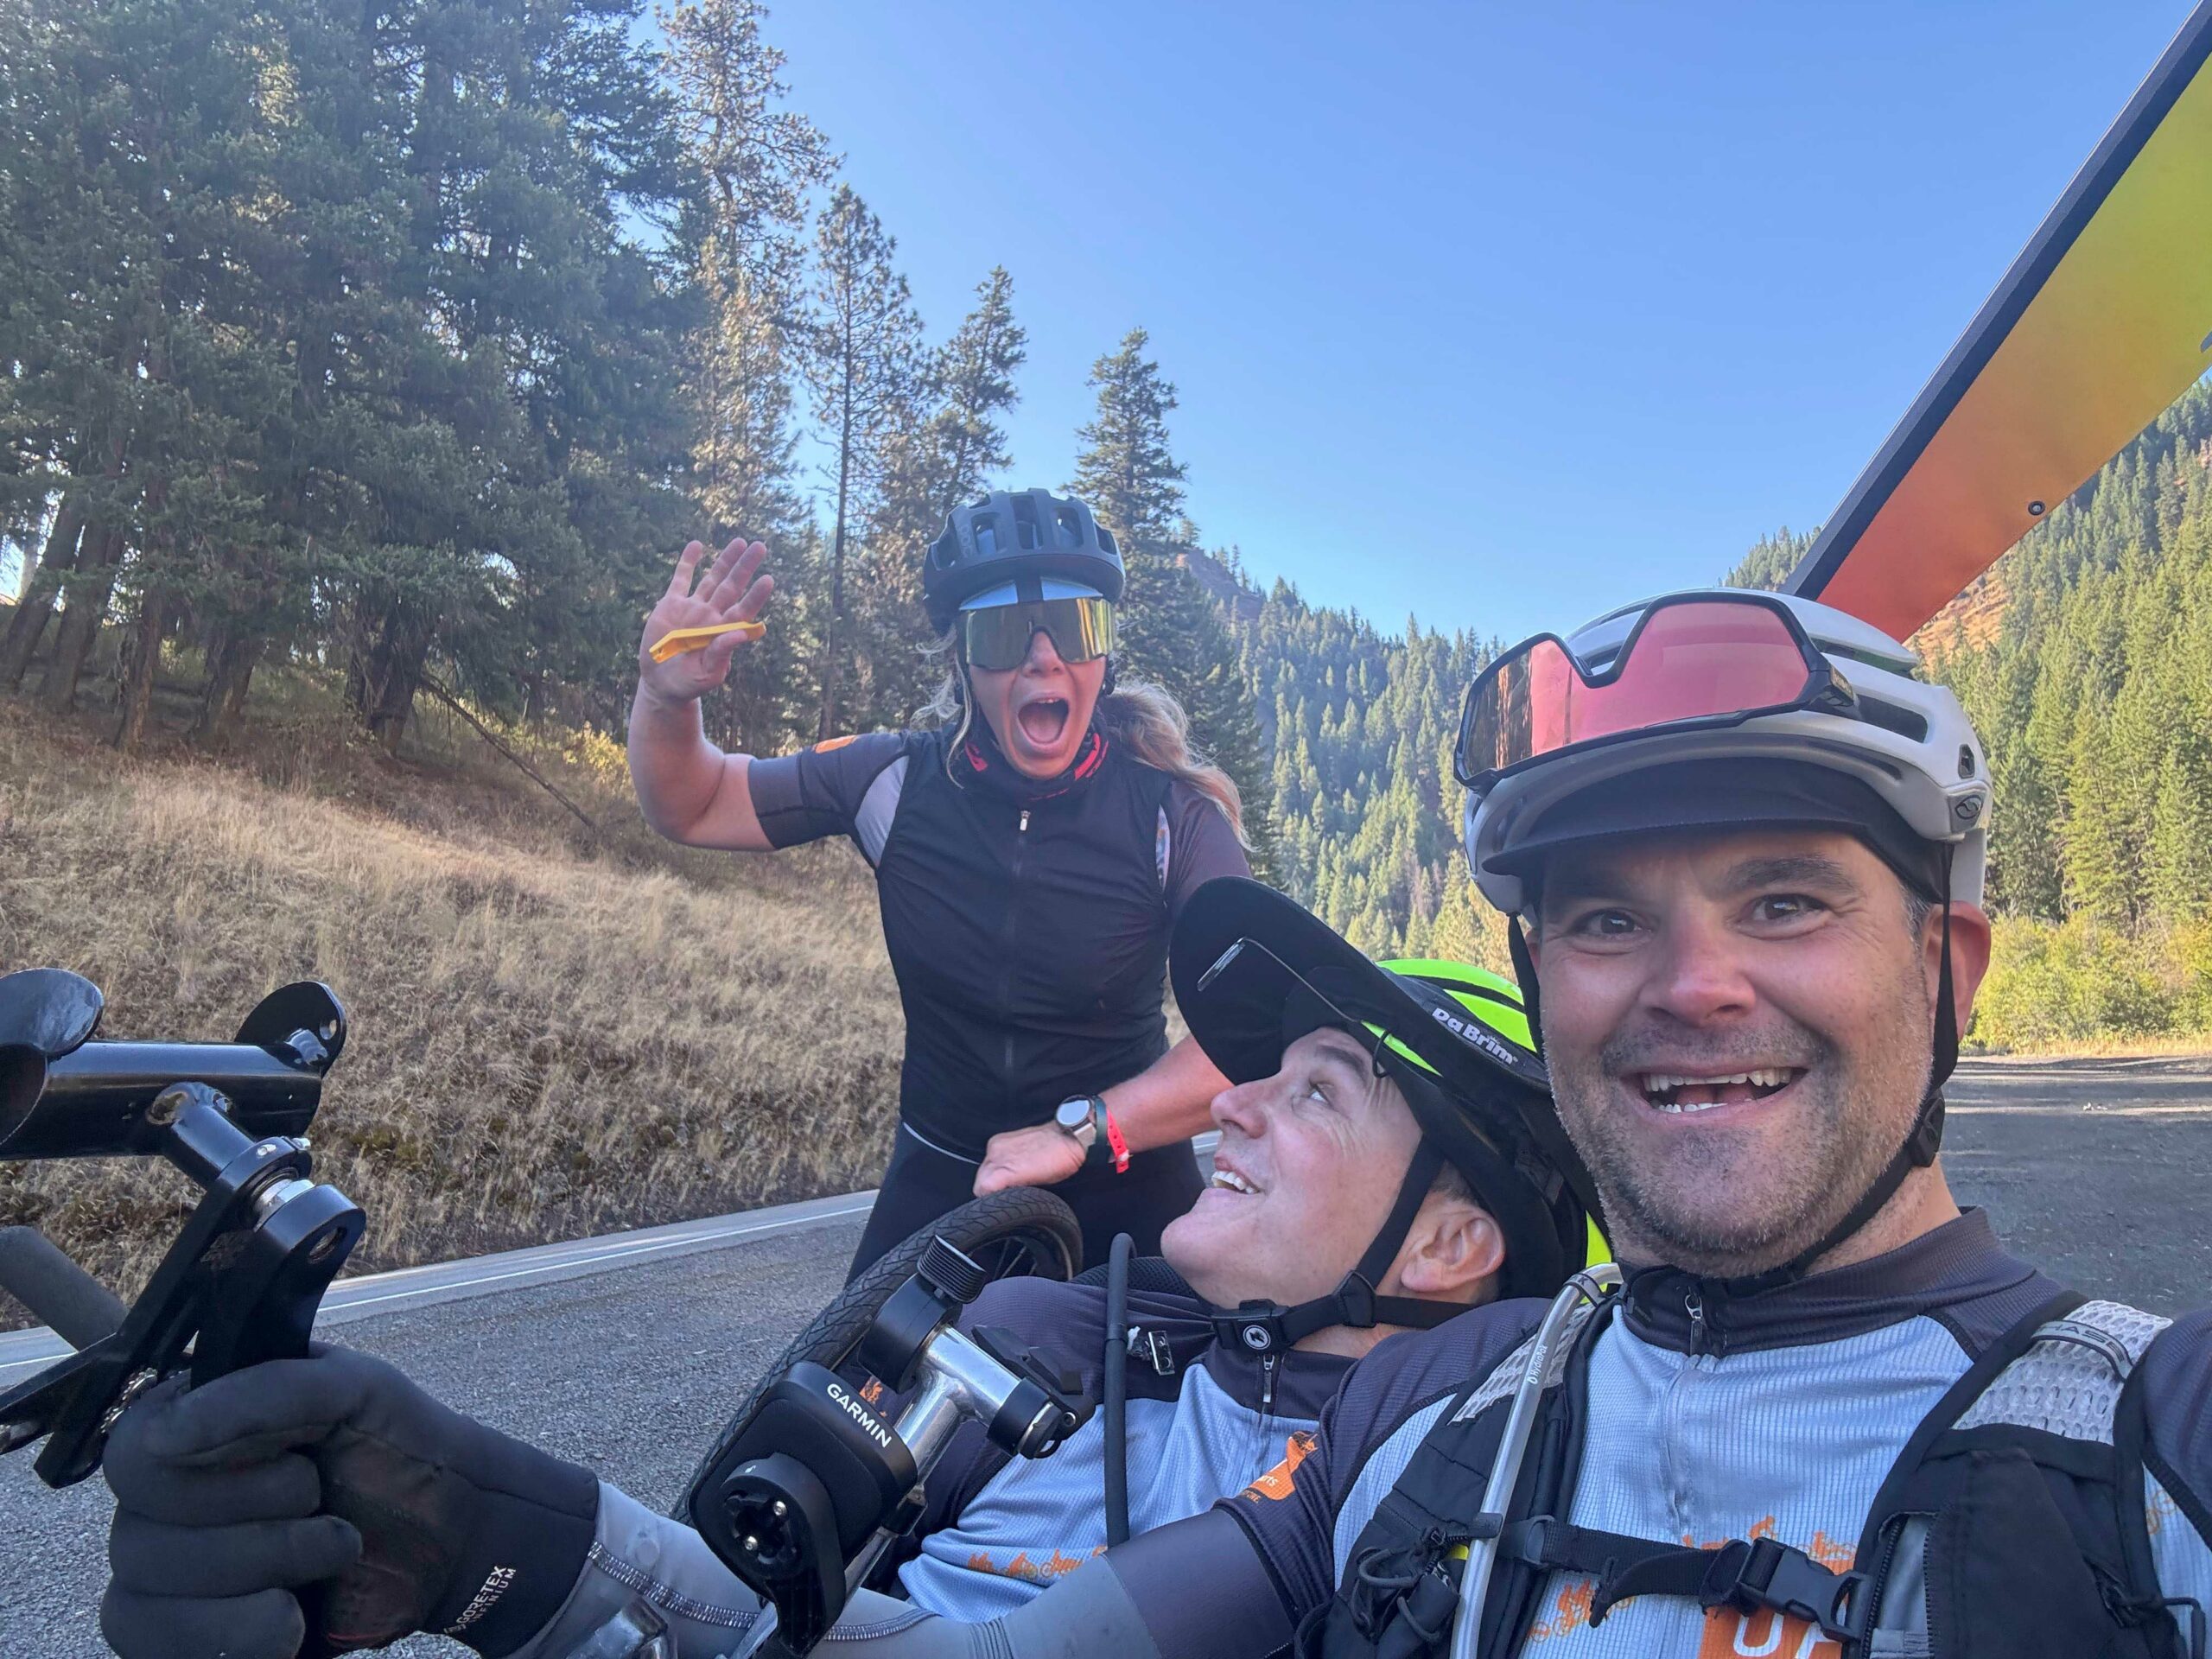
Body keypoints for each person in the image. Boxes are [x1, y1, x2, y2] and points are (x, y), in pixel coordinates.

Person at [92, 881, 1598, 1656]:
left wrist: (509, 1542)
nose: (1231, 1100)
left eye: (1318, 1091)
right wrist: (403, 1540)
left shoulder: (1434, 1521)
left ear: (1458, 1245)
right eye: (1260, 1072)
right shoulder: (1041, 1352)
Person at [626, 488, 1253, 1276]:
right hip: (941, 1175)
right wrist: (663, 697)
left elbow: (1247, 1028)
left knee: (1156, 1401)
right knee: (834, 1399)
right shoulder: (892, 781)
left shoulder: (1173, 816)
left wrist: (1080, 1131)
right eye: (1000, 634)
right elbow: (692, 802)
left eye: (1073, 627)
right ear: (963, 664)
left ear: (1104, 657)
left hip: (1127, 1181)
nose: (1042, 658)